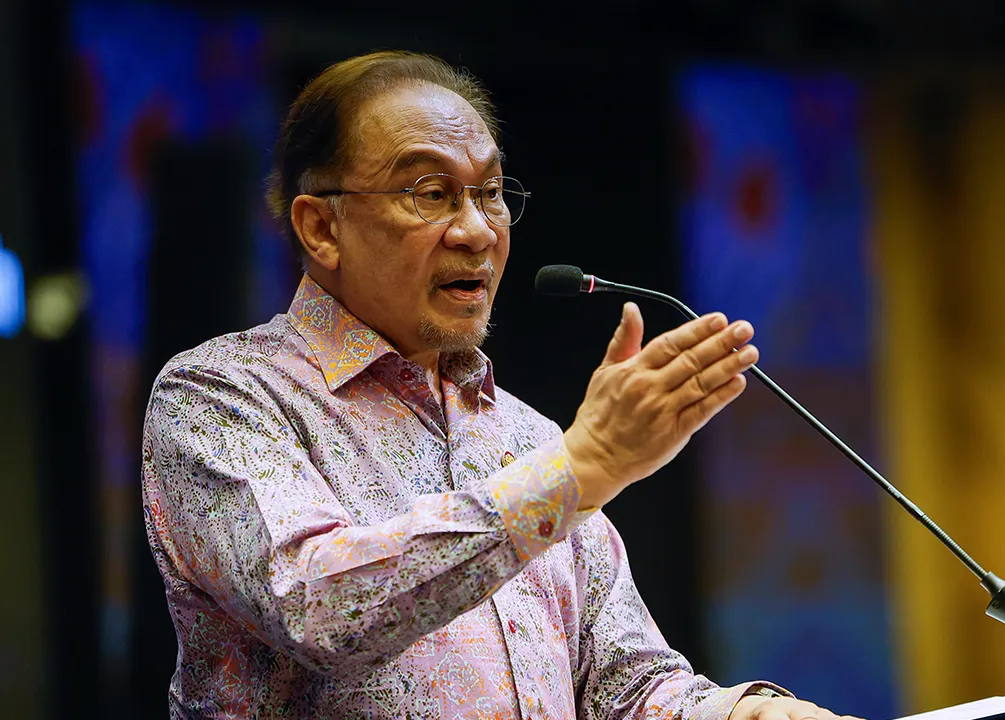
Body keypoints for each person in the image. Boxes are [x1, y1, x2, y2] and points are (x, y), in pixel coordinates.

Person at [141, 50, 862, 720]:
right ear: (321, 228)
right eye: (431, 193)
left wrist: (749, 714)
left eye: (489, 193)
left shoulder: (527, 439)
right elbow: (318, 608)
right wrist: (580, 469)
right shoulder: (220, 397)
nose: (477, 231)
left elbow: (627, 688)